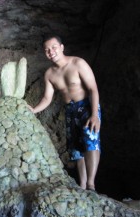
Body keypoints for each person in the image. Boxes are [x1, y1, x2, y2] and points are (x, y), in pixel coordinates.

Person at [28, 35, 101, 191]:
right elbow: (47, 98)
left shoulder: (78, 63)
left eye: (54, 47)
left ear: (62, 47)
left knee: (90, 140)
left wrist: (94, 114)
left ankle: (91, 185)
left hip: (86, 106)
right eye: (47, 50)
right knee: (76, 148)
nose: (51, 52)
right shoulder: (49, 74)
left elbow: (93, 89)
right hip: (70, 110)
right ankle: (82, 185)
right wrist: (33, 110)